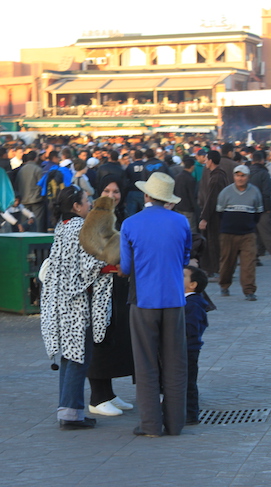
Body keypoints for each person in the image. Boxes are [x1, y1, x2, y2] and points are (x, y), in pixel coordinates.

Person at [120, 172, 192, 437]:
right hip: (174, 299)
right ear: (168, 199)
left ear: (147, 195)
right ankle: (175, 423)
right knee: (176, 362)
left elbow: (126, 267)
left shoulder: (130, 223)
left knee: (146, 363)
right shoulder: (181, 222)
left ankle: (150, 424)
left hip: (144, 300)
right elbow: (185, 258)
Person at [41, 187, 112, 430]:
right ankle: (70, 414)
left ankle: (69, 409)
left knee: (70, 356)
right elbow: (91, 265)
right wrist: (115, 264)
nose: (90, 203)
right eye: (86, 200)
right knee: (78, 357)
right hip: (76, 303)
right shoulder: (81, 227)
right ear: (75, 205)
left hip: (60, 300)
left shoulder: (63, 226)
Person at [86, 177, 134, 416]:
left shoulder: (125, 216)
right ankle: (97, 396)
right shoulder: (92, 220)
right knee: (101, 338)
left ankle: (108, 393)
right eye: (106, 190)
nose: (112, 195)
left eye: (116, 191)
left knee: (117, 338)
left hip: (120, 287)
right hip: (100, 290)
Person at [216, 165, 264, 301]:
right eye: (237, 175)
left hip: (247, 234)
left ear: (248, 177)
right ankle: (224, 285)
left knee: (248, 264)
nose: (240, 178)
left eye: (243, 175)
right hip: (228, 234)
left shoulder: (255, 192)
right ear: (234, 176)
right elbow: (219, 212)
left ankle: (249, 290)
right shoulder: (225, 192)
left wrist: (248, 225)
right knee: (227, 262)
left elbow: (258, 213)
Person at [183, 265, 211, 426]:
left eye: (183, 276)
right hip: (187, 348)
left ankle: (191, 414)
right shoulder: (189, 301)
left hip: (188, 349)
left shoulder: (193, 304)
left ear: (192, 285)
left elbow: (191, 328)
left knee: (188, 383)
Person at [198, 150, 229, 278]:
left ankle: (216, 268)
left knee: (213, 242)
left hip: (215, 215)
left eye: (206, 159)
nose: (205, 161)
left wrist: (204, 217)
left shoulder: (216, 177)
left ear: (210, 161)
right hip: (217, 214)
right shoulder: (217, 174)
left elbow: (212, 199)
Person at [16, 151, 46, 232]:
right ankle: (38, 238)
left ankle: (23, 237)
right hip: (36, 199)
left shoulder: (21, 170)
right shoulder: (38, 169)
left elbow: (17, 184)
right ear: (35, 158)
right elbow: (41, 184)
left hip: (23, 199)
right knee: (38, 221)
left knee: (24, 221)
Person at [173, 156, 199, 232]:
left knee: (180, 229)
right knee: (191, 230)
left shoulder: (177, 177)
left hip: (178, 207)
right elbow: (192, 196)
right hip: (188, 209)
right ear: (192, 166)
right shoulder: (191, 179)